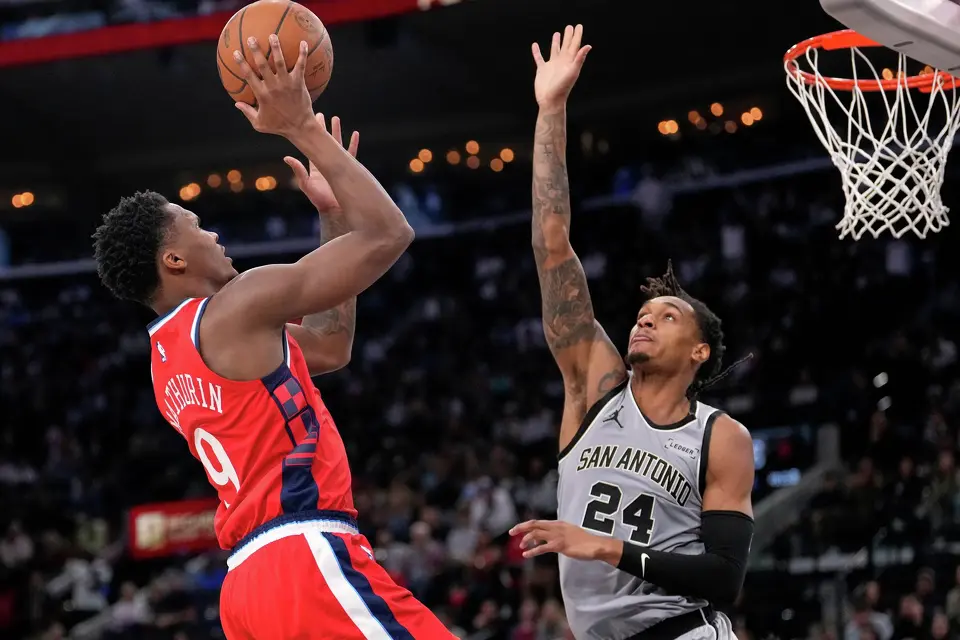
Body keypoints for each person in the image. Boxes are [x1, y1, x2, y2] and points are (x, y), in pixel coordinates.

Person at [92, 35, 454, 640]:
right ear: (175, 259)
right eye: (198, 227)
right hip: (303, 556)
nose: (215, 237)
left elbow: (330, 346)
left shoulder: (167, 361)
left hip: (247, 589)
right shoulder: (236, 307)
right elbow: (391, 234)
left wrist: (332, 213)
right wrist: (304, 127)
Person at [509, 25, 755, 640]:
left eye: (668, 316)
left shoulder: (721, 437)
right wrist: (551, 111)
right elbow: (551, 245)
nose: (645, 318)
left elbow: (724, 580)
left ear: (700, 352)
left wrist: (605, 548)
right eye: (645, 313)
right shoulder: (595, 390)